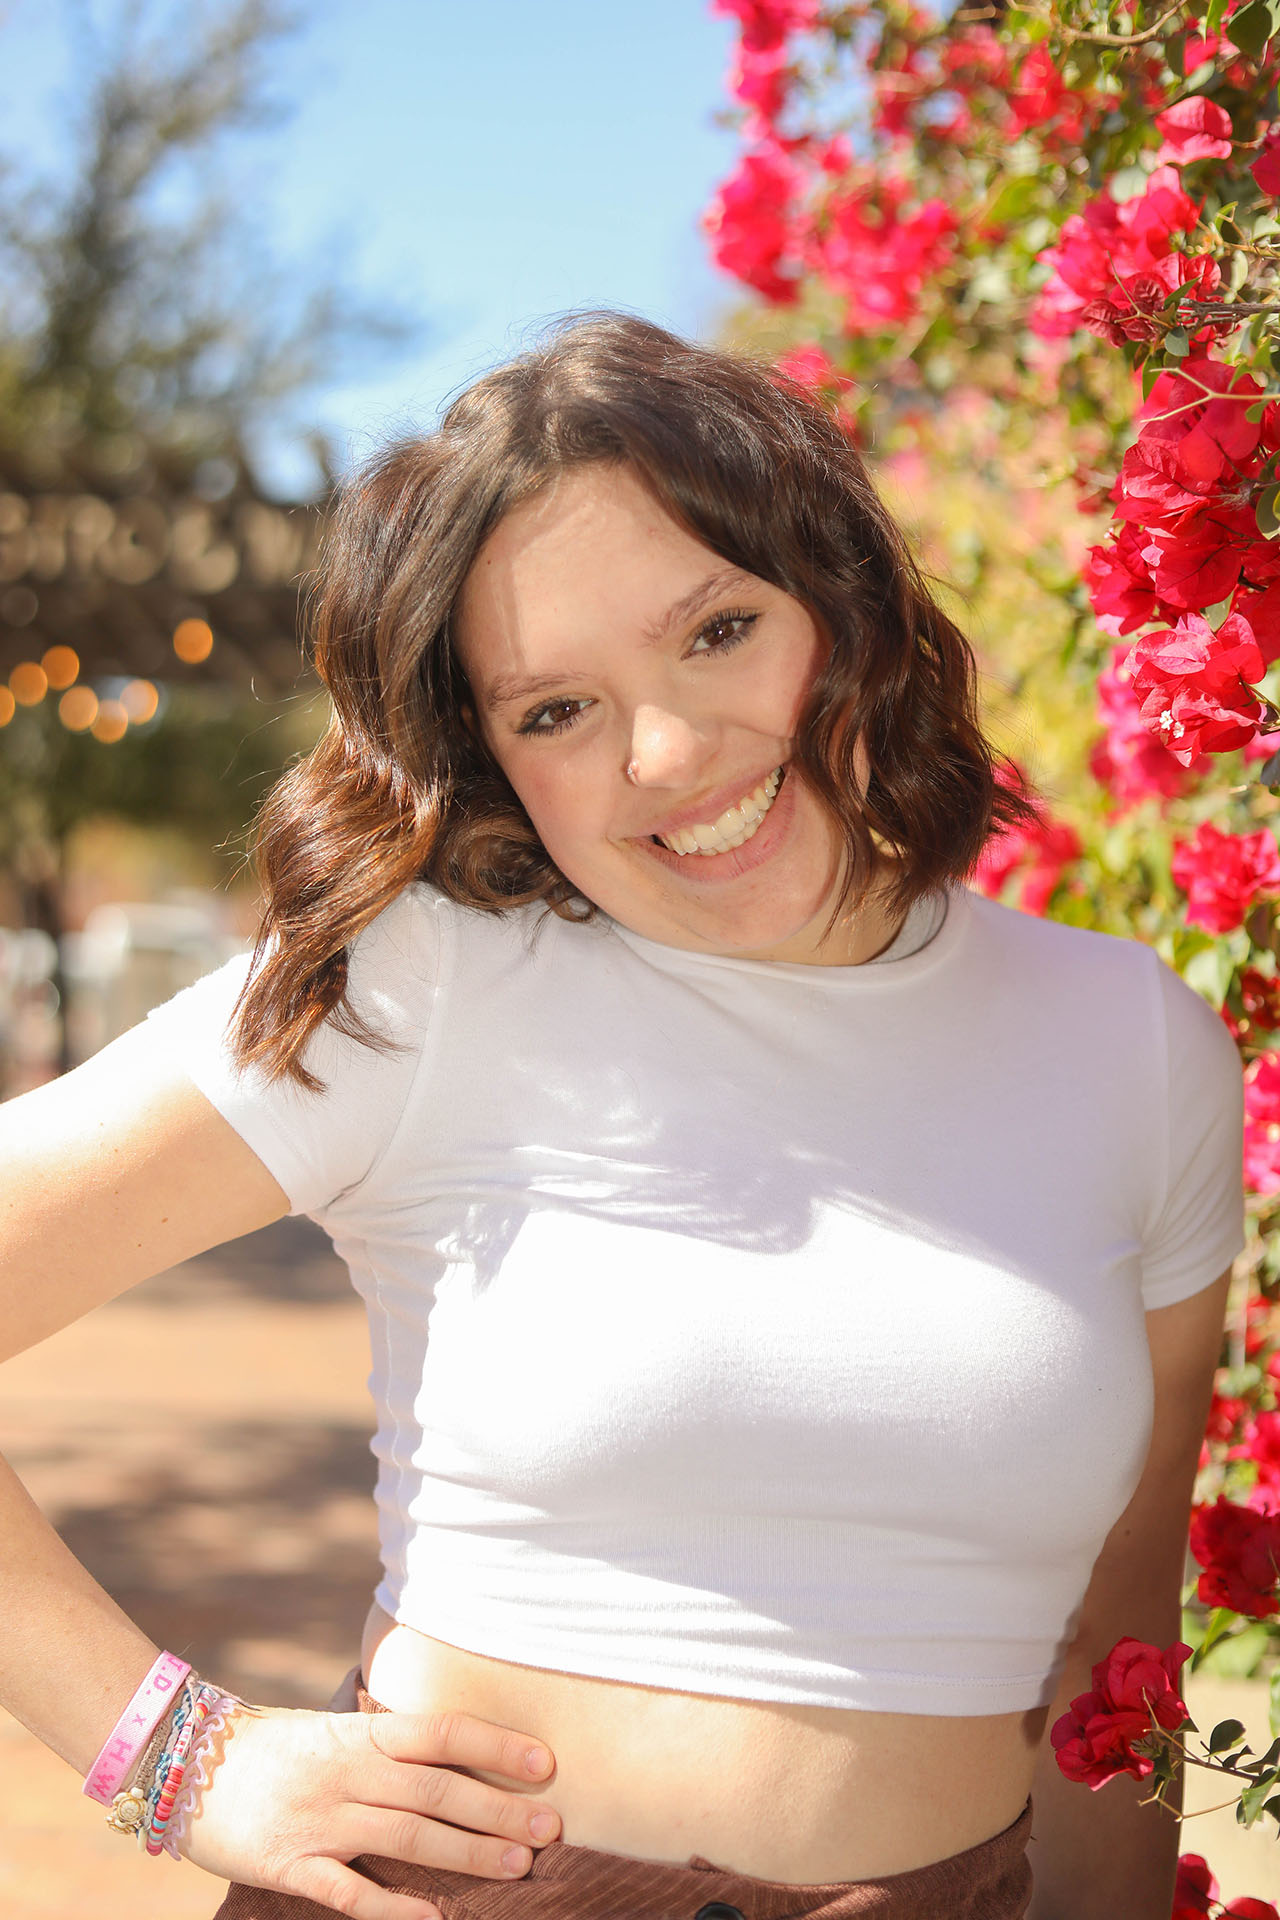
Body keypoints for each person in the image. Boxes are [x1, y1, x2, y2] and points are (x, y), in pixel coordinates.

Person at [0, 312, 1244, 1920]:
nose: (666, 751)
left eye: (717, 630)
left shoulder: (1133, 1042)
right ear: (493, 760)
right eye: (555, 711)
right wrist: (175, 1756)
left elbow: (1112, 1647)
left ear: (842, 602)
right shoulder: (427, 980)